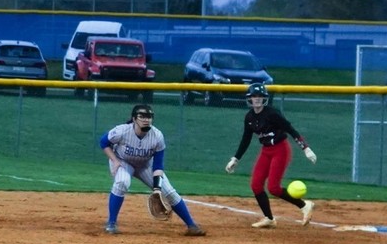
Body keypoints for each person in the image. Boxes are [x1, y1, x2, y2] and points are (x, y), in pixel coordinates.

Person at [101, 103, 206, 236]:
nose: (146, 119)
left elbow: (158, 165)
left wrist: (157, 188)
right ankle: (111, 223)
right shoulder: (122, 131)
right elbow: (103, 142)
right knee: (122, 182)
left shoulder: (157, 136)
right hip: (123, 161)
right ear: (134, 119)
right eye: (142, 116)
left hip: (145, 164)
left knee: (169, 192)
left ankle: (191, 225)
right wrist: (115, 161)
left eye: (149, 117)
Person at [225, 83, 316, 228]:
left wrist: (305, 148)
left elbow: (290, 129)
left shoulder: (272, 114)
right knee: (256, 185)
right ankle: (269, 219)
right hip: (266, 151)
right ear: (249, 98)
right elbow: (246, 139)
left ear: (264, 98)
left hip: (280, 150)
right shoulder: (249, 117)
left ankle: (304, 205)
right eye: (254, 96)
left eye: (260, 96)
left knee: (273, 187)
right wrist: (235, 159)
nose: (257, 99)